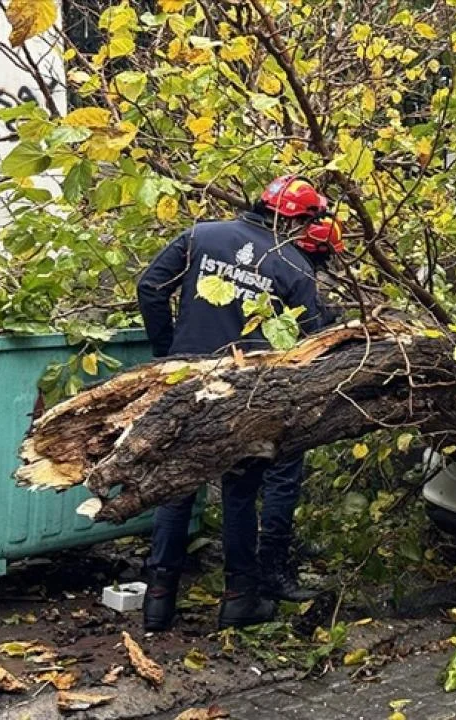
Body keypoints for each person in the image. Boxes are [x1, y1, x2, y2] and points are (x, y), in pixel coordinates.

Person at [136, 175, 345, 631]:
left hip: (186, 382)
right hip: (248, 393)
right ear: (294, 219)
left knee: (176, 489)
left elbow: (150, 287)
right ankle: (237, 600)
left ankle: (158, 602)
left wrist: (168, 351)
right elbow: (313, 341)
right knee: (240, 495)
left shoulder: (202, 235)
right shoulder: (294, 266)